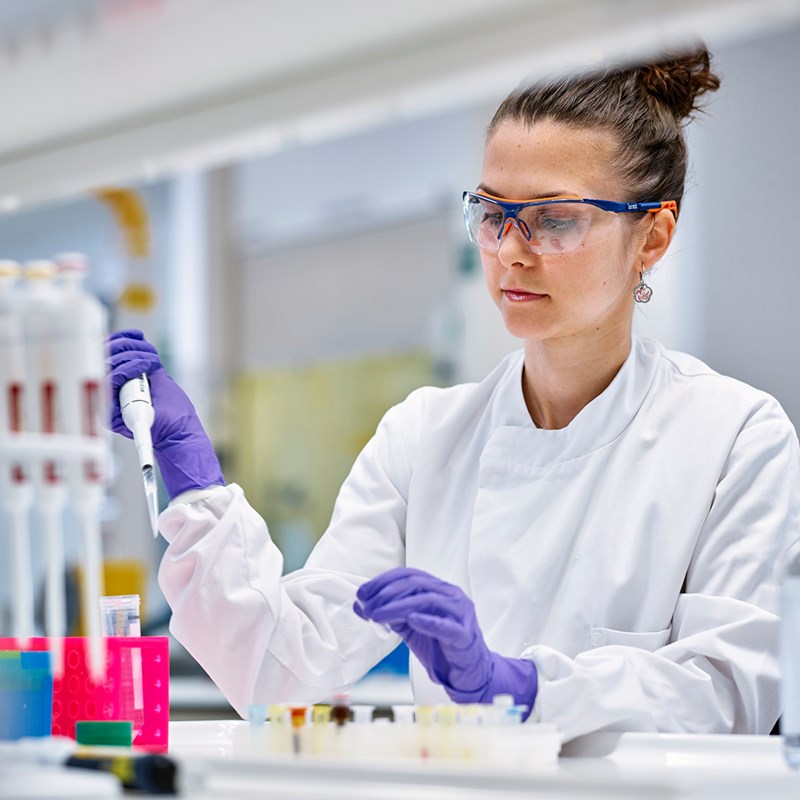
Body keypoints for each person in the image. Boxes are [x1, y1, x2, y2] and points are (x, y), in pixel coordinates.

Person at [107, 45, 800, 742]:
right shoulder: (425, 437)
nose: (510, 250)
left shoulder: (734, 435)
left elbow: (729, 692)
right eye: (494, 213)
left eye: (555, 219)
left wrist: (519, 687)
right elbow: (283, 671)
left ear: (653, 235)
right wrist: (191, 475)